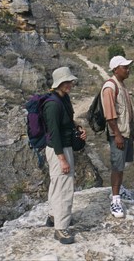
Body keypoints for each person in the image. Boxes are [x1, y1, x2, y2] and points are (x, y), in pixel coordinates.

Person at [44, 66, 87, 244]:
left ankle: (54, 216)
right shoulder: (52, 105)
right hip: (58, 149)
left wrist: (77, 128)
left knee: (57, 183)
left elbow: (67, 121)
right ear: (60, 83)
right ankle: (61, 229)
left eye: (71, 81)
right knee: (64, 187)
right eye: (68, 82)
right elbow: (54, 133)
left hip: (63, 147)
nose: (71, 84)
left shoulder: (63, 99)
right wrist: (62, 159)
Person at [101, 55, 134, 218]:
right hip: (119, 134)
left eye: (128, 67)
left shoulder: (121, 85)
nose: (128, 70)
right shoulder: (110, 87)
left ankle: (119, 189)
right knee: (117, 166)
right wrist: (117, 135)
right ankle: (115, 200)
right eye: (125, 67)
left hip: (125, 132)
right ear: (115, 69)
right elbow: (110, 115)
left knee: (122, 164)